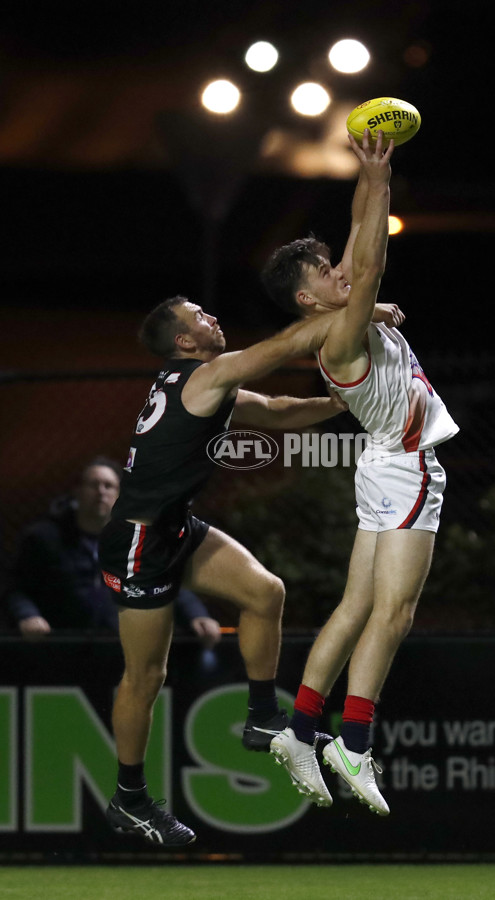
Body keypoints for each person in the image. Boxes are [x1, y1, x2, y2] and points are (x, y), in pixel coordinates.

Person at [98, 297, 347, 846]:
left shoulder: (208, 385)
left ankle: (262, 717)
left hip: (175, 527)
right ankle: (129, 799)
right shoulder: (205, 376)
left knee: (265, 593)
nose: (212, 317)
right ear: (184, 343)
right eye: (199, 317)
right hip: (139, 541)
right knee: (146, 677)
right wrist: (357, 315)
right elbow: (284, 347)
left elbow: (280, 411)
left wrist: (342, 403)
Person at [261, 129, 459, 815]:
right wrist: (378, 184)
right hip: (405, 467)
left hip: (380, 464)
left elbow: (358, 245)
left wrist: (372, 176)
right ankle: (354, 741)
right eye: (322, 272)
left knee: (355, 607)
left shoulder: (342, 312)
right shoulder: (342, 332)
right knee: (394, 612)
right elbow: (369, 270)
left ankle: (300, 729)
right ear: (310, 302)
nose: (337, 271)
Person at [2, 457, 221, 651]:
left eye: (109, 486)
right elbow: (16, 587)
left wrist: (197, 614)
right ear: (77, 491)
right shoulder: (43, 538)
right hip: (60, 648)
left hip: (123, 651)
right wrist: (27, 615)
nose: (101, 492)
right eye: (93, 485)